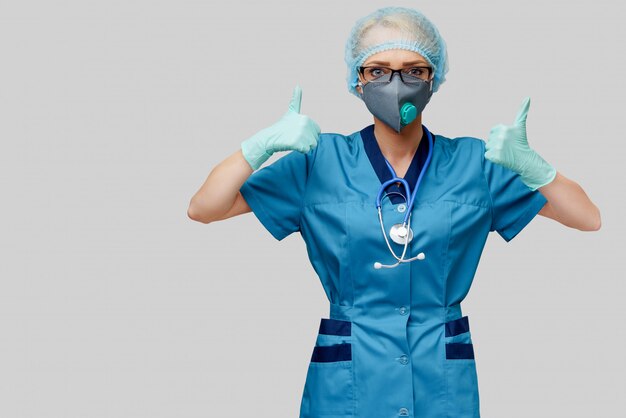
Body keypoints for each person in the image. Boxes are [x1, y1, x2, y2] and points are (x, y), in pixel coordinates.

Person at [187, 6, 601, 418]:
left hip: (440, 379)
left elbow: (587, 218)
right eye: (378, 70)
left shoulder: (476, 164)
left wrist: (537, 170)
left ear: (433, 77)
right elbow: (204, 208)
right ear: (357, 80)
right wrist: (259, 146)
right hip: (348, 381)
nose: (396, 83)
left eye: (413, 70)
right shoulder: (318, 161)